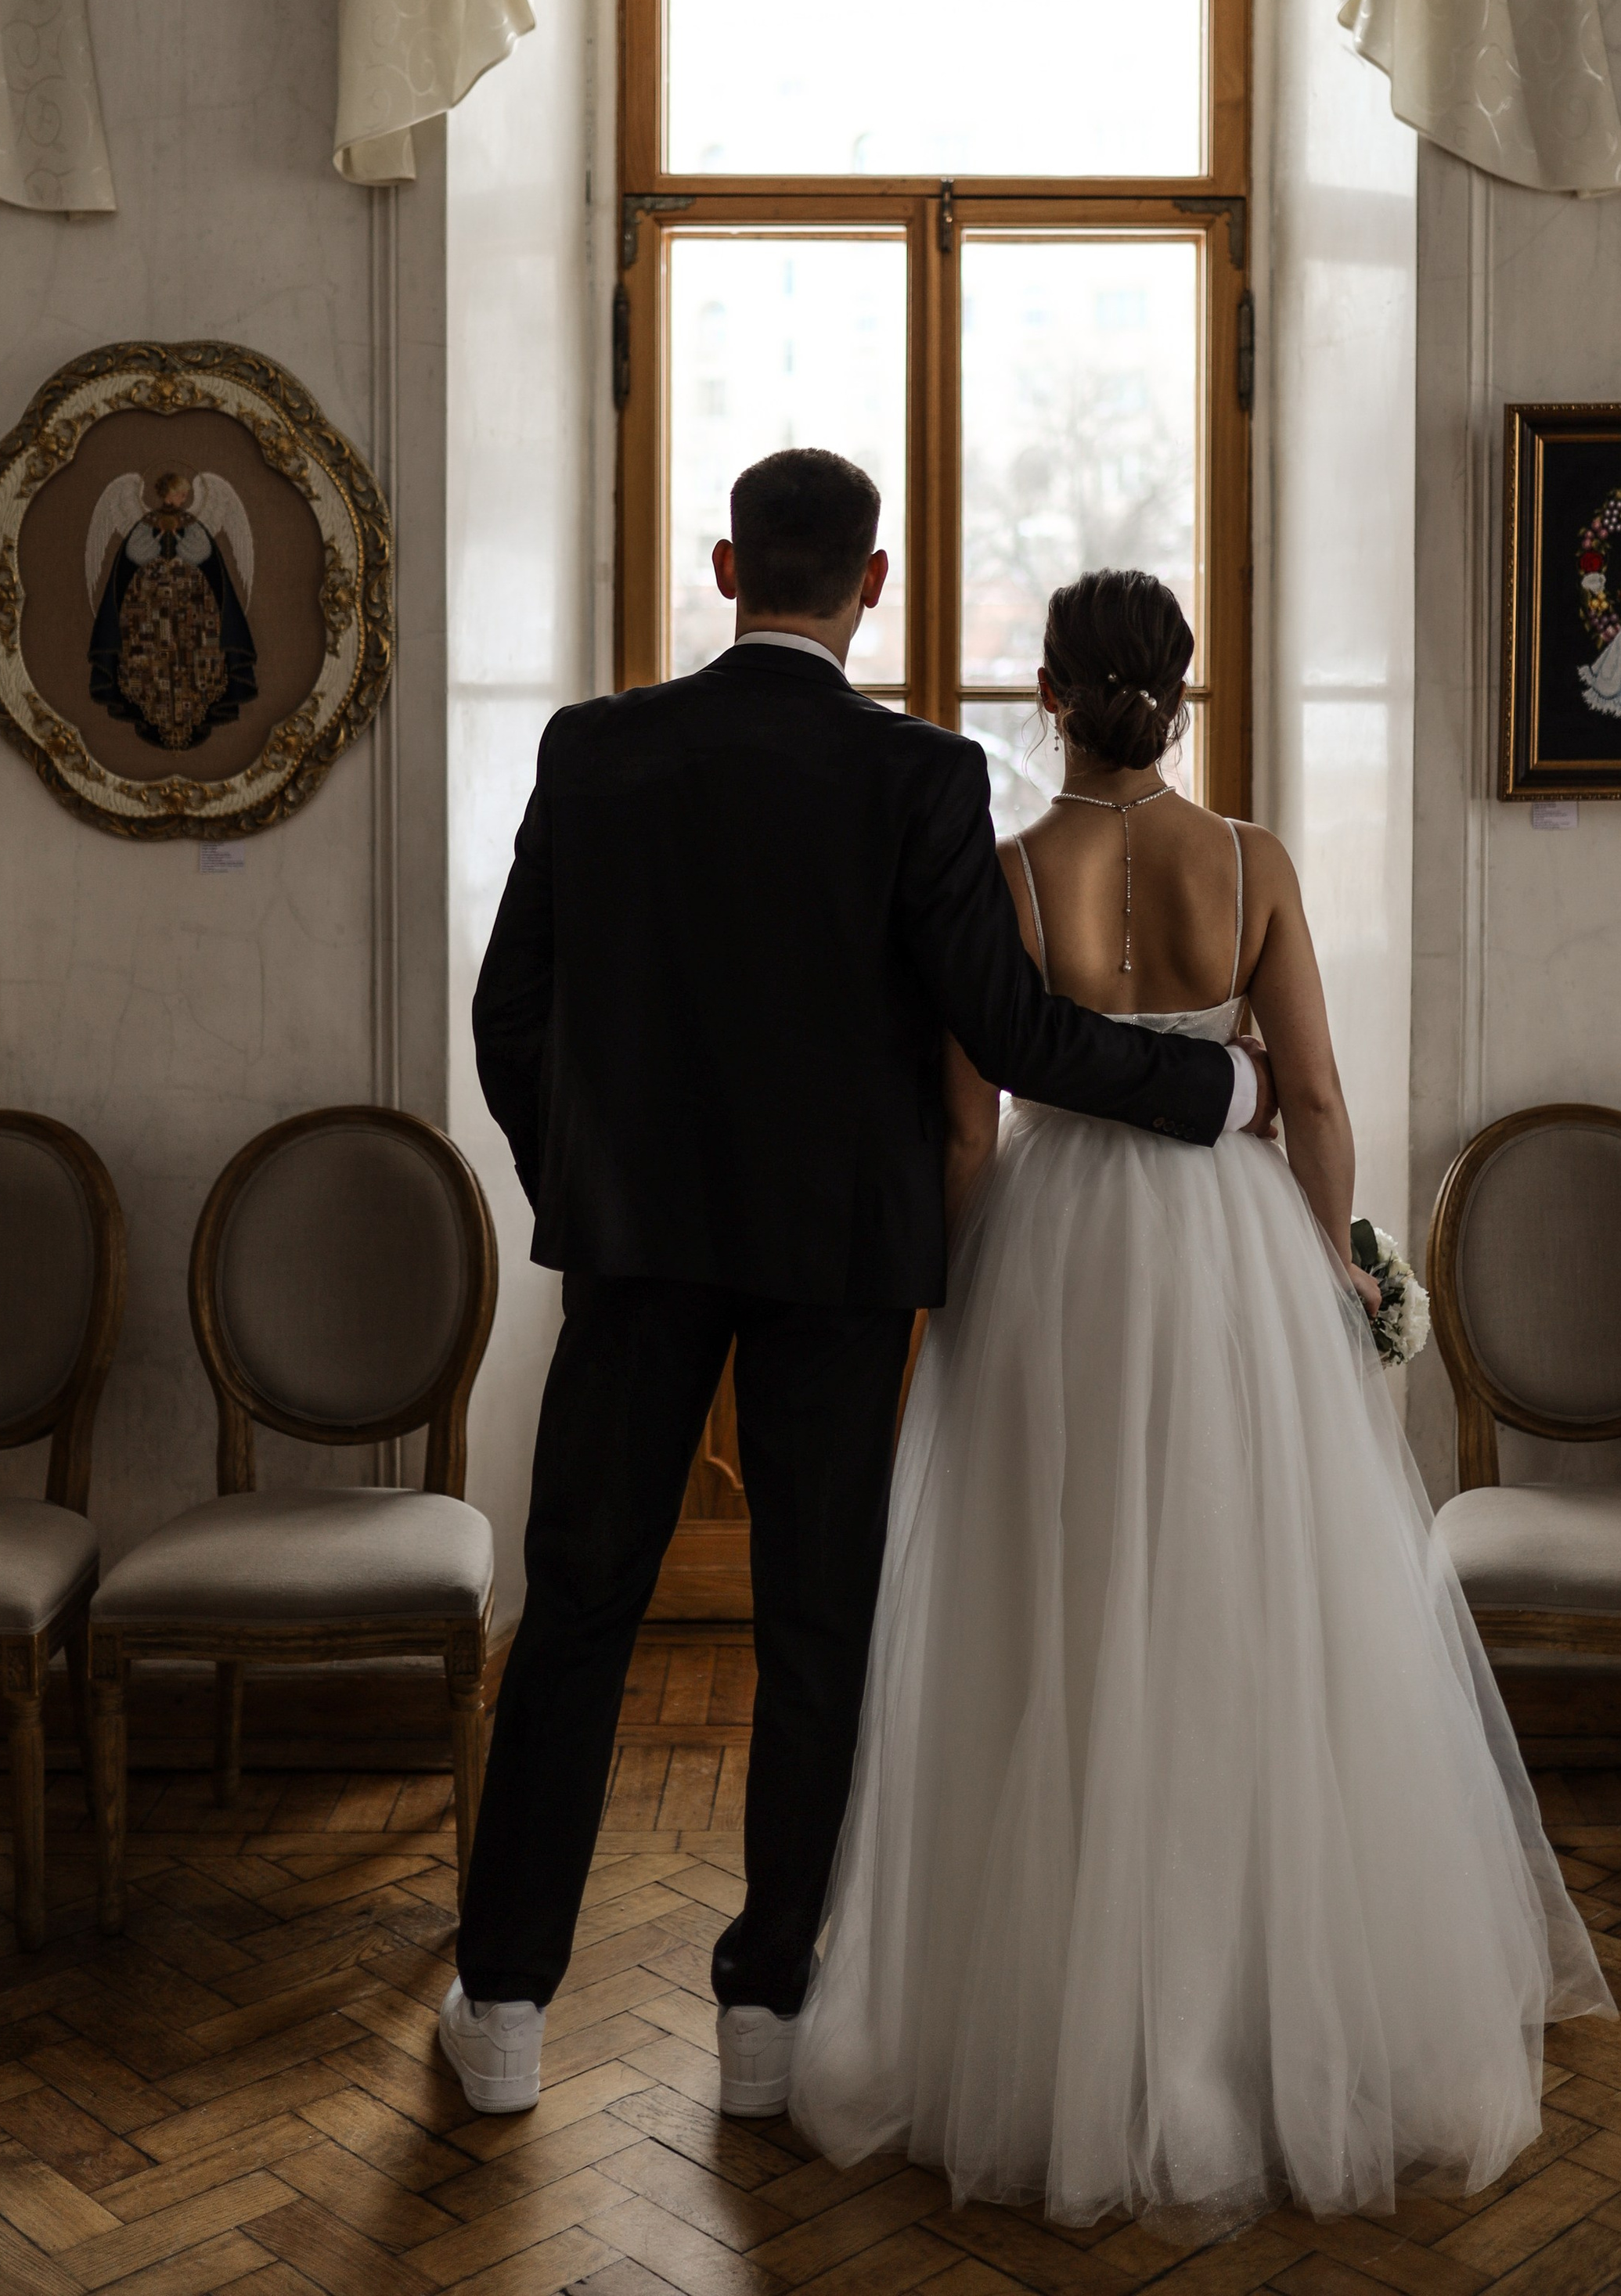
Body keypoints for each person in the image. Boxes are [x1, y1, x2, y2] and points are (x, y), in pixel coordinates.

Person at [439, 458, 1277, 2120]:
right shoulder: (919, 772)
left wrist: (591, 1189)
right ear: (876, 582)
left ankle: (508, 2007)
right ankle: (765, 2016)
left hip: (635, 1255)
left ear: (726, 561)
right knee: (815, 1625)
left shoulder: (595, 749)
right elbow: (1011, 1034)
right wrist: (1221, 1094)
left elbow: (507, 1018)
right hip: (839, 1265)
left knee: (575, 1619)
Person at [790, 567, 1612, 2226]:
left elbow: (966, 1129)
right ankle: (1255, 2011)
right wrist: (1321, 1276)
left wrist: (954, 1308)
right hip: (1226, 1253)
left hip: (1058, 1252)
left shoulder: (1012, 872)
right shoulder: (1248, 861)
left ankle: (1062, 2022)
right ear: (1178, 689)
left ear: (1046, 693)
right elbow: (1304, 1091)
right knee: (1246, 1609)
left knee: (1060, 1609)